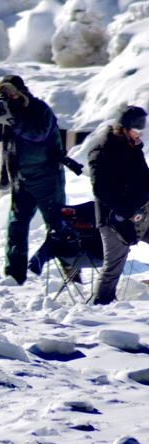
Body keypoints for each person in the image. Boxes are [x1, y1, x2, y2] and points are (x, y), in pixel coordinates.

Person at [0, 75, 71, 285]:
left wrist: (13, 121)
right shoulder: (5, 111)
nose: (7, 98)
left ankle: (71, 271)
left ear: (21, 92)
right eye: (2, 94)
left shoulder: (39, 109)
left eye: (10, 93)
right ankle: (14, 276)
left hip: (47, 177)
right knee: (16, 227)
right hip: (20, 178)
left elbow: (38, 134)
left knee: (58, 224)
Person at [88, 105, 149, 305]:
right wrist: (128, 212)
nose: (140, 134)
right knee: (113, 265)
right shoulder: (103, 149)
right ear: (123, 128)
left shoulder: (132, 147)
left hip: (141, 212)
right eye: (136, 130)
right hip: (114, 217)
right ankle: (100, 306)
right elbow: (101, 190)